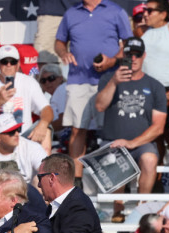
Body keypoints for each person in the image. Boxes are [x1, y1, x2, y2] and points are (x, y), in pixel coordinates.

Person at [55, 0, 132, 182]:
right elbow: (59, 42)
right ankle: (77, 182)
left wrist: (112, 61)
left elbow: (129, 45)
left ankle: (117, 181)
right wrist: (63, 53)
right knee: (77, 130)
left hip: (109, 80)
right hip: (78, 79)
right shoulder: (71, 13)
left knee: (111, 130)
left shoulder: (116, 11)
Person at [96, 37, 166, 193]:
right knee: (114, 159)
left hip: (141, 143)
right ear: (123, 56)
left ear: (144, 56)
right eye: (129, 54)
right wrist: (114, 82)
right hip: (112, 141)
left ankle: (141, 207)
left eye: (137, 54)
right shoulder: (108, 79)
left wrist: (132, 143)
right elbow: (100, 106)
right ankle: (117, 210)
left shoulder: (155, 86)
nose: (133, 59)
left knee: (149, 159)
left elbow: (159, 127)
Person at [0, 45, 53, 152]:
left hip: (22, 137)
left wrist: (43, 123)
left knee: (46, 129)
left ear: (18, 65)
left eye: (12, 61)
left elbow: (47, 109)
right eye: (4, 61)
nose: (9, 65)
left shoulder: (28, 82)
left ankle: (44, 168)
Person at [0, 113, 48, 183]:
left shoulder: (32, 147)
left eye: (18, 129)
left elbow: (47, 170)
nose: (16, 134)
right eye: (11, 132)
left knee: (40, 178)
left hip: (27, 193)